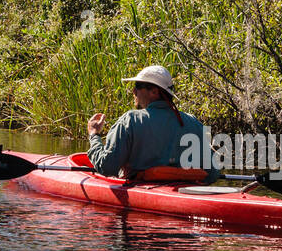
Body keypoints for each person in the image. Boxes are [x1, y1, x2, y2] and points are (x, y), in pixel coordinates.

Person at [87, 64, 219, 181]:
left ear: (154, 92)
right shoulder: (193, 122)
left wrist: (94, 135)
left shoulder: (130, 120)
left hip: (143, 197)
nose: (133, 91)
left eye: (137, 86)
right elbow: (212, 173)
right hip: (184, 195)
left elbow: (107, 167)